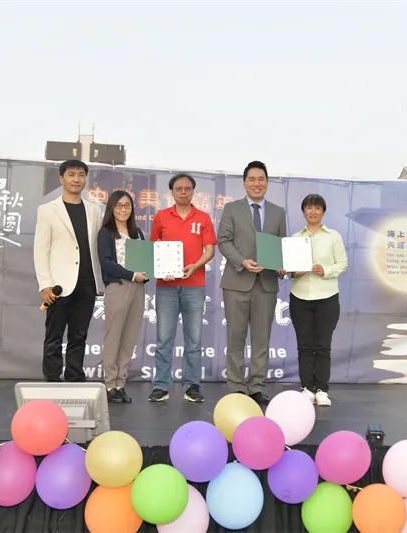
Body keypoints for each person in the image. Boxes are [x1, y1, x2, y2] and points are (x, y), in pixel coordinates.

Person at [217, 161, 286, 405]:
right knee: (235, 336)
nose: (257, 183)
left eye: (261, 179)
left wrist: (282, 265)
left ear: (267, 182)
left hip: (266, 283)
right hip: (237, 281)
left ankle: (257, 385)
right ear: (245, 183)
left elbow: (281, 246)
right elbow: (223, 240)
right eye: (252, 179)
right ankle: (236, 385)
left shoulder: (278, 212)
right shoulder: (231, 209)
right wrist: (241, 261)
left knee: (261, 337)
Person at [148, 173, 217, 403]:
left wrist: (195, 266)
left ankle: (192, 386)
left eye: (188, 188)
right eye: (179, 188)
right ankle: (161, 385)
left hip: (194, 285)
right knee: (164, 338)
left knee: (194, 340)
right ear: (172, 192)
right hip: (166, 286)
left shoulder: (203, 218)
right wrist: (162, 268)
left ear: (193, 191)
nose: (183, 192)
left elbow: (210, 250)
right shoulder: (161, 216)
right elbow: (154, 248)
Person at [34, 160, 103, 383]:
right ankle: (52, 377)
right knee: (54, 334)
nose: (76, 179)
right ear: (61, 178)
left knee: (79, 334)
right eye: (71, 174)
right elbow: (41, 250)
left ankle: (75, 375)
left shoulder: (94, 211)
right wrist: (45, 283)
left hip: (87, 282)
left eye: (81, 175)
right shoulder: (47, 210)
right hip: (58, 284)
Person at [289, 194, 348, 406]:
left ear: (323, 211)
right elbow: (288, 269)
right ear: (303, 211)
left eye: (317, 208)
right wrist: (293, 273)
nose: (313, 212)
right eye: (309, 208)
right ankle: (306, 388)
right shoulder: (295, 238)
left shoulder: (333, 236)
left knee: (323, 346)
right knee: (304, 346)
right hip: (300, 297)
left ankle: (322, 389)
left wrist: (326, 270)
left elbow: (342, 263)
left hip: (327, 297)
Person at [97, 191, 149, 404]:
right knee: (114, 337)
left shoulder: (138, 233)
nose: (123, 209)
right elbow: (106, 262)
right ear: (111, 208)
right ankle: (110, 384)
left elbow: (145, 262)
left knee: (129, 337)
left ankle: (120, 383)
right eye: (119, 205)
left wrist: (150, 271)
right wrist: (131, 274)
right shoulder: (105, 233)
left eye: (127, 205)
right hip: (118, 286)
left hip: (138, 289)